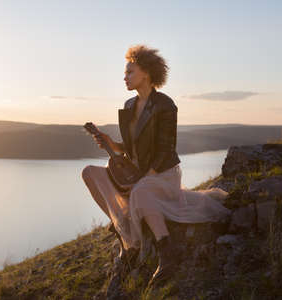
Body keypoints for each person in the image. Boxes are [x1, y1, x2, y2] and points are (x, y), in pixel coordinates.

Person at [81, 44, 231, 287]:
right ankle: (123, 230)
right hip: (138, 175)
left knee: (140, 191)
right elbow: (130, 148)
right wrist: (111, 144)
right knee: (89, 173)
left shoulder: (165, 105)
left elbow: (165, 150)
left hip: (163, 174)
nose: (125, 77)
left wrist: (144, 179)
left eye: (130, 72)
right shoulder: (130, 106)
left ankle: (167, 252)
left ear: (147, 73)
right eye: (125, 72)